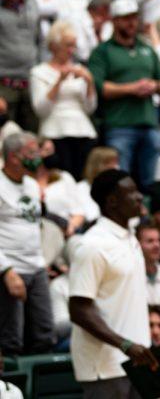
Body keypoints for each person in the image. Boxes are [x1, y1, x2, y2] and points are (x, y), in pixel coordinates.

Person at [69, 170, 157, 399]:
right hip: (105, 366)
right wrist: (125, 345)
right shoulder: (92, 245)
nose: (139, 197)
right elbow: (78, 309)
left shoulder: (130, 238)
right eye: (131, 193)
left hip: (136, 360)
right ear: (112, 202)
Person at [88, 0, 160, 189]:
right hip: (119, 125)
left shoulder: (146, 48)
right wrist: (132, 89)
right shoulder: (103, 51)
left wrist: (154, 86)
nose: (132, 22)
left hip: (149, 123)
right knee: (121, 180)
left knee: (151, 181)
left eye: (134, 18)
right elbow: (99, 88)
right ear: (114, 21)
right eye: (125, 18)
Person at [0, 132, 55, 356]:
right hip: (10, 267)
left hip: (36, 266)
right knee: (11, 339)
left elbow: (34, 224)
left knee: (45, 333)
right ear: (13, 157)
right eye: (31, 153)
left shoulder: (32, 185)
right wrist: (6, 271)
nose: (37, 158)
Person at [29, 21, 98, 178]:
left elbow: (90, 108)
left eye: (74, 46)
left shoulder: (81, 70)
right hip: (55, 131)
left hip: (83, 131)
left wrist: (89, 82)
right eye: (67, 45)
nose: (71, 51)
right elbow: (40, 109)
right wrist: (59, 81)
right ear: (54, 46)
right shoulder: (39, 72)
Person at [0, 0, 41, 133]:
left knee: (31, 134)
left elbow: (38, 39)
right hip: (4, 82)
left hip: (30, 79)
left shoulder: (32, 4)